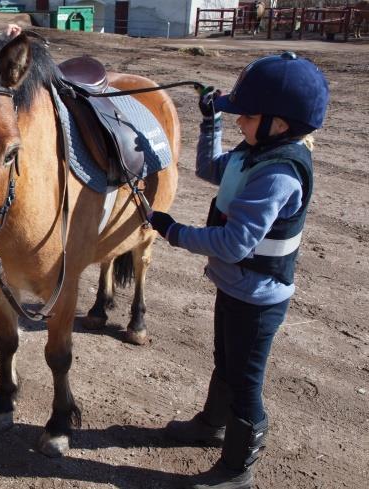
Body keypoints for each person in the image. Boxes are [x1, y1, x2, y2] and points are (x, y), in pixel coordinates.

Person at [148, 52, 329, 489]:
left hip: (260, 297)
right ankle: (211, 424)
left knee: (247, 382)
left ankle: (236, 469)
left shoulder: (278, 173)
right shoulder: (253, 154)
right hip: (235, 287)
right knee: (225, 363)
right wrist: (211, 122)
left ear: (280, 124)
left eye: (246, 115)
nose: (239, 123)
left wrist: (173, 231)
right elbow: (210, 169)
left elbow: (234, 243)